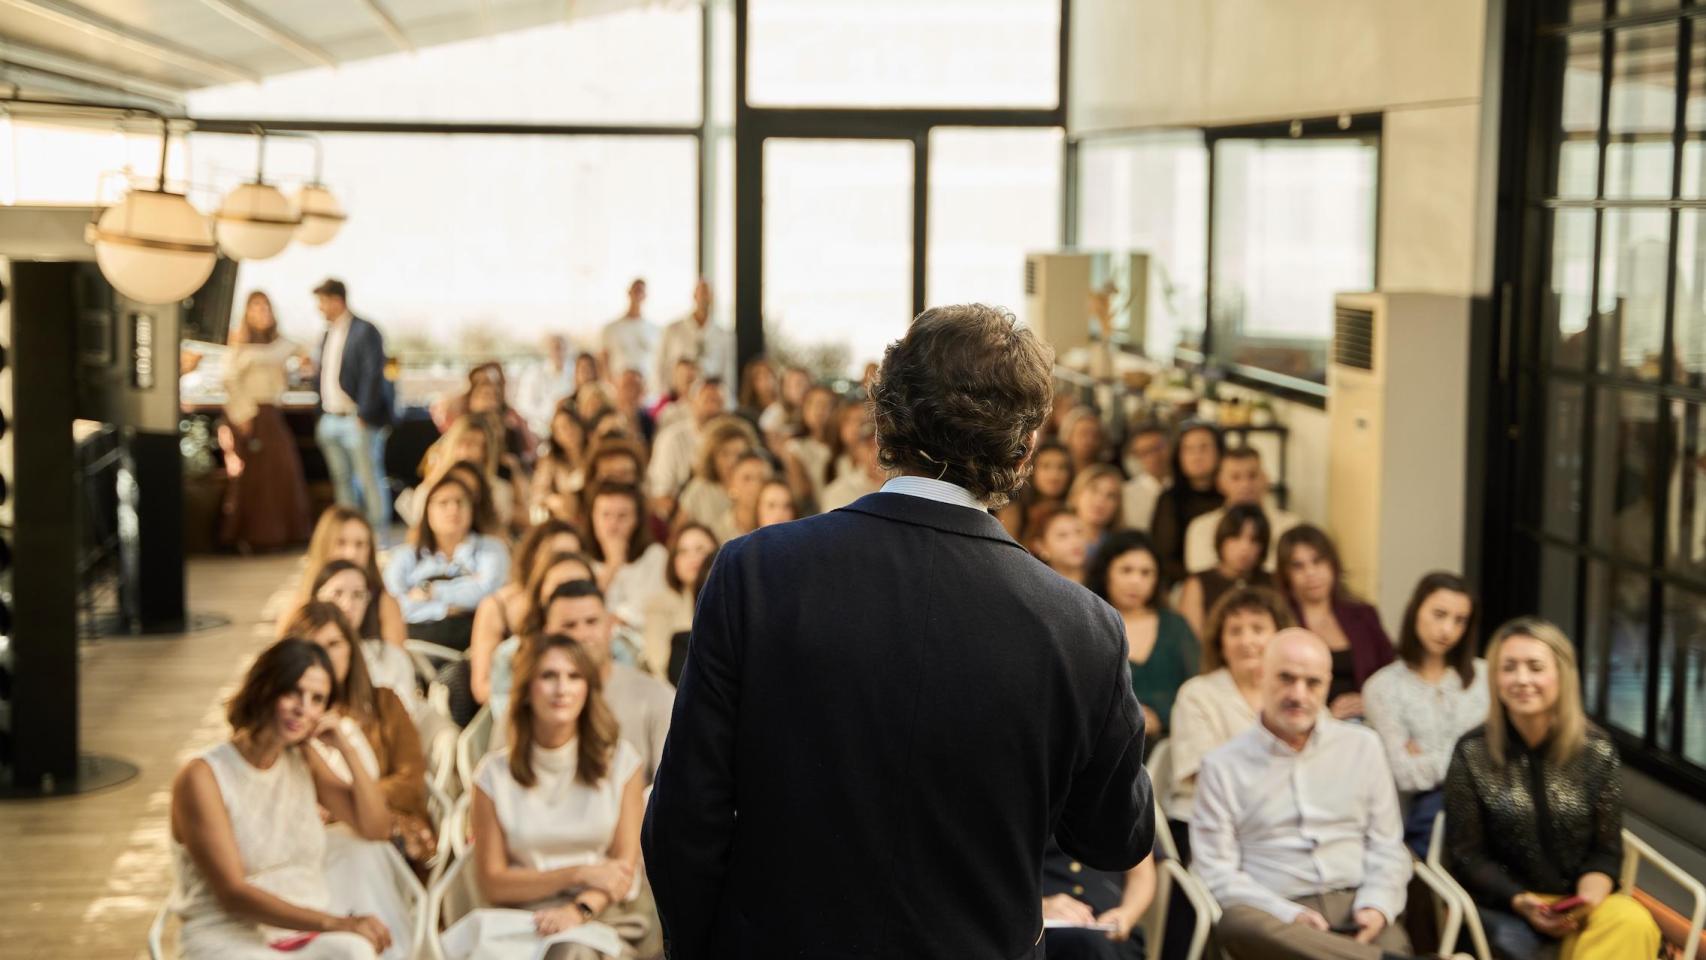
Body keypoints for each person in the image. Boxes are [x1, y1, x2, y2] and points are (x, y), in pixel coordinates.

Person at [644, 304, 1153, 959]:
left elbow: (685, 818)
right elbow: (1115, 836)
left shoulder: (757, 573)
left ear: (882, 418)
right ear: (1027, 447)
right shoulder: (1082, 628)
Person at [1444, 618, 1660, 960]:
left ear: (1561, 675)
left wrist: (1588, 898)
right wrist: (1520, 900)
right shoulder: (1471, 751)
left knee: (1633, 921)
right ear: (1495, 679)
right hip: (1508, 905)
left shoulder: (1597, 750)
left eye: (1535, 667)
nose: (1522, 679)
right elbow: (1467, 856)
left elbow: (1607, 851)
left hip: (1581, 904)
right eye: (1509, 668)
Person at [1193, 629, 1415, 960]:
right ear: (1261, 676)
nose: (1299, 694)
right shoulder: (1222, 766)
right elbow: (1214, 871)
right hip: (1276, 914)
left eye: (1312, 683)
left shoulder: (1363, 747)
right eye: (1286, 678)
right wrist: (1287, 914)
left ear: (1327, 684)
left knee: (1389, 936)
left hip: (1357, 905)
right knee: (1237, 923)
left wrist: (1377, 906)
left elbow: (1387, 845)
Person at [168, 638, 393, 959]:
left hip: (301, 933)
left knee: (357, 951)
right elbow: (233, 894)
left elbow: (377, 829)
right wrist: (336, 922)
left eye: (317, 699)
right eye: (293, 692)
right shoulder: (202, 776)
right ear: (266, 688)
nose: (303, 709)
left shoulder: (302, 759)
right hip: (227, 935)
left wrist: (345, 748)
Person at [442, 635, 661, 960]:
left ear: (588, 689)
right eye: (549, 676)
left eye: (574, 677)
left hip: (605, 915)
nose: (562, 688)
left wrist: (578, 909)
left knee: (570, 951)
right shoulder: (493, 775)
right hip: (518, 920)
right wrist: (579, 872)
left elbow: (621, 870)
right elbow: (494, 883)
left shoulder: (621, 764)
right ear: (527, 689)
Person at [284, 603, 431, 941]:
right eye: (313, 645)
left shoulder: (383, 703)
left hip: (381, 829)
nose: (323, 654)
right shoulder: (289, 723)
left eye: (334, 644)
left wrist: (346, 805)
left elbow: (410, 781)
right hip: (308, 835)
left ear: (351, 648)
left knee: (363, 851)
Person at [1163, 586, 1292, 863]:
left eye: (1258, 629)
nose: (1247, 640)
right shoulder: (1197, 694)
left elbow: (1324, 758)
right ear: (1220, 643)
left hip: (1284, 823)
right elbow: (1204, 774)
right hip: (1209, 826)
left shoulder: (1296, 692)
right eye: (1235, 631)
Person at [1363, 572, 1486, 857]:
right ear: (1416, 609)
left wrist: (1427, 757)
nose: (1447, 630)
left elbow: (1501, 758)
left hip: (1486, 808)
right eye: (1439, 614)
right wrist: (1473, 757)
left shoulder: (1484, 677)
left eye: (1460, 621)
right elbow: (1404, 775)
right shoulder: (1383, 687)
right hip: (1421, 817)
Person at [546, 580, 675, 780]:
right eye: (569, 626)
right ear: (548, 633)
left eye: (591, 622)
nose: (582, 635)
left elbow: (675, 784)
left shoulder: (656, 696)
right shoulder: (529, 702)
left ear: (609, 625)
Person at [219, 290, 312, 552]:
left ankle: (280, 535)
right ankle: (250, 536)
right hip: (251, 415)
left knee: (282, 472)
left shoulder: (278, 343)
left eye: (266, 308)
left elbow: (294, 350)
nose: (262, 313)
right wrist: (244, 415)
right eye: (256, 308)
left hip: (271, 413)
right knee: (254, 477)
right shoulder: (239, 344)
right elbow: (229, 379)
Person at [1086, 530, 1198, 740]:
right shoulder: (1087, 624)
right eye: (1126, 570)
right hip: (1103, 745)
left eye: (1146, 573)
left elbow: (1197, 687)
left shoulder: (1175, 626)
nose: (1136, 581)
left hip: (1173, 742)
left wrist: (1161, 718)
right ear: (1106, 572)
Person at [1276, 525, 1394, 721]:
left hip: (1367, 722)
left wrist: (1369, 701)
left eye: (1317, 561)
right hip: (1305, 725)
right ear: (1286, 575)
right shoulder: (1280, 621)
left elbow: (1390, 673)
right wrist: (1326, 716)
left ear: (1332, 563)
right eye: (1298, 566)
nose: (1310, 572)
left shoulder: (1364, 615)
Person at [383, 473, 510, 650]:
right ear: (427, 510)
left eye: (460, 502)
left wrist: (430, 592)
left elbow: (488, 593)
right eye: (443, 503)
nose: (453, 510)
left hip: (475, 643)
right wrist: (444, 610)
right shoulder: (405, 555)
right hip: (418, 645)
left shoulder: (491, 548)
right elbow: (392, 607)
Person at [469, 521, 585, 711]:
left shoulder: (589, 610)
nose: (564, 564)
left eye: (572, 556)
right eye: (555, 556)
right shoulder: (498, 608)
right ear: (533, 557)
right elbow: (482, 687)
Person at [485, 552, 600, 732]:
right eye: (562, 587)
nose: (573, 594)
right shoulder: (510, 655)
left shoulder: (618, 651)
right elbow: (507, 721)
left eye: (582, 585)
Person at [311, 279, 392, 534]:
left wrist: (364, 414)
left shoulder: (365, 330)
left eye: (322, 302)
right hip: (330, 418)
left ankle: (378, 536)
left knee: (369, 478)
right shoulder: (327, 334)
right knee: (342, 480)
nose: (320, 308)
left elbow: (373, 374)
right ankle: (349, 534)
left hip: (356, 419)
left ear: (337, 300)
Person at [302, 560, 421, 722]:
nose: (348, 604)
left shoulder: (392, 658)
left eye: (358, 595)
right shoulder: (297, 656)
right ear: (316, 597)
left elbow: (403, 722)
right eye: (337, 593)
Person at [289, 507, 408, 651]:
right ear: (324, 545)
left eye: (360, 544)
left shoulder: (384, 602)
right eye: (341, 543)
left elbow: (397, 664)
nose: (351, 553)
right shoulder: (302, 600)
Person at [1183, 447, 1300, 574]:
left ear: (1265, 479)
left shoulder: (1290, 526)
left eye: (1252, 476)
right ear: (1220, 483)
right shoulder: (1201, 527)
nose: (1245, 484)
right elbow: (1203, 577)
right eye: (1235, 477)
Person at [1040, 840, 1157, 960]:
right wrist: (1041, 906)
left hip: (1111, 932)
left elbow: (1140, 875)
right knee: (1083, 943)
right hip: (1041, 931)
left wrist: (1126, 913)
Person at [1176, 504, 1274, 638]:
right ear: (1222, 539)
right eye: (1236, 537)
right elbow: (1190, 640)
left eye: (1254, 540)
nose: (1245, 547)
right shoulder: (1198, 583)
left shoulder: (1271, 581)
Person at [639, 524, 718, 682]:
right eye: (683, 552)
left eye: (700, 549)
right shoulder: (659, 605)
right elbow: (659, 665)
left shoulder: (732, 597)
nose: (693, 558)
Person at [584, 481, 667, 629]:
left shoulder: (656, 556)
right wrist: (612, 566)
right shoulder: (581, 560)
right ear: (593, 518)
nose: (613, 524)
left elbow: (651, 610)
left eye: (622, 516)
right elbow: (582, 611)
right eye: (605, 515)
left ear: (636, 520)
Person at [1149, 421, 1224, 584]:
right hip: (1183, 583)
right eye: (1189, 449)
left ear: (1219, 452)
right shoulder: (1169, 499)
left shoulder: (1229, 496)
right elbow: (1163, 556)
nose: (1197, 456)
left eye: (1204, 448)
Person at [646, 377, 728, 521]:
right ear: (692, 403)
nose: (713, 409)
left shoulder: (733, 439)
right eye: (707, 400)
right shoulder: (672, 439)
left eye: (719, 402)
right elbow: (661, 495)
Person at [674, 415, 758, 529]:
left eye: (739, 454)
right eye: (725, 454)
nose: (732, 461)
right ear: (712, 458)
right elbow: (679, 533)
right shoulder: (698, 490)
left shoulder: (758, 486)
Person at [656, 279, 733, 398]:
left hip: (709, 399)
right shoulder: (673, 329)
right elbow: (660, 365)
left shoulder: (724, 335)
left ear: (713, 297)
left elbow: (728, 373)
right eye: (701, 292)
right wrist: (666, 396)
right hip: (677, 398)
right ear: (694, 295)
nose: (704, 297)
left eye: (707, 293)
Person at [996, 440, 1073, 539]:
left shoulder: (1076, 507)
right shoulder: (1014, 509)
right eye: (1046, 466)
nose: (1054, 475)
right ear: (1032, 470)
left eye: (1062, 467)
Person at [529, 402, 587, 527]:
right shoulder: (550, 461)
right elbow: (538, 495)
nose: (569, 432)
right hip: (564, 517)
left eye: (571, 424)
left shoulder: (594, 455)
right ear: (555, 435)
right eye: (562, 428)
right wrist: (554, 501)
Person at [782, 384, 838, 505]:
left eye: (825, 405)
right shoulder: (795, 447)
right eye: (812, 404)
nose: (818, 411)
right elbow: (800, 494)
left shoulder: (841, 446)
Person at [513, 334, 576, 441]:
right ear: (548, 351)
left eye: (562, 348)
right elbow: (523, 406)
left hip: (570, 428)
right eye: (555, 348)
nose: (559, 352)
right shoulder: (534, 373)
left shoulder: (574, 372)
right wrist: (552, 410)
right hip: (539, 430)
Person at [599, 278, 658, 391]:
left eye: (641, 291)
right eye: (636, 290)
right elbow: (603, 360)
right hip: (617, 389)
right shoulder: (611, 329)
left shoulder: (654, 330)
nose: (638, 295)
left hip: (646, 390)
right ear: (629, 293)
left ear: (645, 296)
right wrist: (610, 385)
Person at [818, 417, 883, 512]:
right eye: (869, 446)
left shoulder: (902, 484)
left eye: (880, 444)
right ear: (857, 452)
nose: (876, 451)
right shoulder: (838, 492)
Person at [708, 451, 773, 543]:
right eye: (747, 478)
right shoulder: (717, 534)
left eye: (763, 478)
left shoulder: (780, 525)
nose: (756, 486)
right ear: (731, 485)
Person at [1121, 424, 1169, 535]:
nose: (1153, 456)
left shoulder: (1182, 485)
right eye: (1145, 452)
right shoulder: (1126, 493)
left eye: (1158, 448)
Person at [1028, 504, 1091, 585]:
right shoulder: (1036, 586)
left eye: (1078, 531)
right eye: (1062, 535)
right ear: (1040, 546)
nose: (1075, 541)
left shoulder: (1102, 580)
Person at [1068, 462, 1126, 548]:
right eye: (1094, 490)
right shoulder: (1053, 538)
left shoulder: (1120, 547)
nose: (1101, 500)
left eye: (1110, 495)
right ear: (1077, 495)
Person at [1061, 407, 1110, 472]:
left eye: (1095, 436)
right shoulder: (1060, 472)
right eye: (1083, 434)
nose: (1089, 440)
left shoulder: (1107, 473)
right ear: (1068, 437)